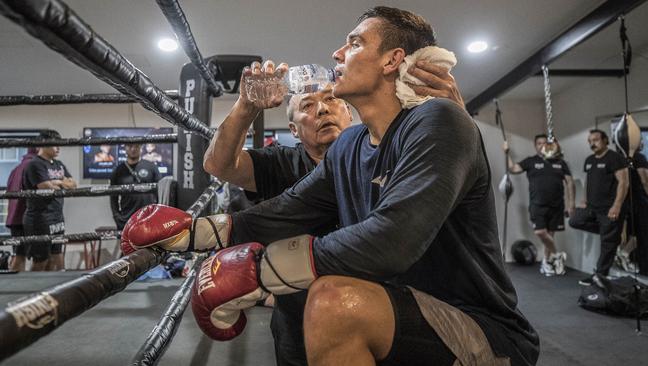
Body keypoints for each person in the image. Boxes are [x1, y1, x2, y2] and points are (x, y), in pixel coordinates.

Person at [123, 6, 538, 366]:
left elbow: (394, 239)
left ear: (393, 60)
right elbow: (289, 209)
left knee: (334, 301)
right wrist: (192, 233)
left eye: (354, 43)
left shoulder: (437, 121)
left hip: (473, 327)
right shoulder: (351, 147)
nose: (337, 53)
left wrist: (260, 272)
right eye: (308, 105)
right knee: (331, 304)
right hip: (392, 315)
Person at [203, 58, 464, 203]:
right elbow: (219, 165)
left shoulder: (382, 147)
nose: (322, 110)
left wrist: (456, 118)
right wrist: (245, 107)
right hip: (303, 291)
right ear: (293, 130)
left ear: (349, 114)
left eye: (331, 100)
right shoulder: (282, 162)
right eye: (307, 105)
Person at [504, 135, 575, 276]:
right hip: (538, 205)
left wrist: (571, 204)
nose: (542, 145)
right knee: (540, 232)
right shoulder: (531, 161)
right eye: (539, 143)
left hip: (557, 205)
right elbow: (513, 169)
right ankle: (556, 255)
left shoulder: (560, 162)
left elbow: (570, 183)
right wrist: (507, 153)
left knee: (550, 235)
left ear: (549, 145)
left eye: (544, 143)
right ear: (535, 146)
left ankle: (546, 262)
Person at [569, 129, 628, 286]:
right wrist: (585, 200)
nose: (592, 143)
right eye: (590, 141)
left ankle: (599, 276)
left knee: (607, 243)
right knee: (574, 220)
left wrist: (616, 206)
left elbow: (623, 182)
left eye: (595, 140)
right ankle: (612, 234)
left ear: (605, 140)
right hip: (592, 208)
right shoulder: (589, 160)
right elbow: (589, 180)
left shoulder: (615, 158)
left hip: (609, 209)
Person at [22, 133, 77, 271]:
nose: (59, 148)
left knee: (57, 257)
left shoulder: (59, 164)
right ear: (43, 144)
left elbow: (73, 184)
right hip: (39, 219)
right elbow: (46, 186)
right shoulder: (35, 164)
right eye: (55, 144)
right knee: (41, 260)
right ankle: (35, 291)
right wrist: (61, 182)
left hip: (57, 217)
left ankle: (54, 292)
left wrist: (57, 182)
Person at [110, 143, 161, 230]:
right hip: (127, 219)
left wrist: (157, 215)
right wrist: (117, 218)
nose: (133, 149)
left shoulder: (151, 167)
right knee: (128, 244)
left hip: (148, 218)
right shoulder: (118, 170)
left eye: (136, 146)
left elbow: (159, 192)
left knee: (149, 243)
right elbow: (113, 197)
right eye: (130, 146)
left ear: (140, 148)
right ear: (125, 148)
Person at [5, 147, 38, 272]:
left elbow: (8, 193)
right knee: (40, 258)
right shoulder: (34, 167)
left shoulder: (16, 169)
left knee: (19, 255)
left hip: (14, 219)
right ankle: (37, 289)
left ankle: (15, 289)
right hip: (28, 218)